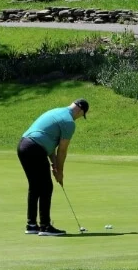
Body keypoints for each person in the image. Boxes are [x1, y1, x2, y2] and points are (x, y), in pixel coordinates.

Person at [17, 98, 89, 236]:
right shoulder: (69, 122)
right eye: (82, 115)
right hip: (35, 148)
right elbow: (62, 150)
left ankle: (31, 225)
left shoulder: (56, 111)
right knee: (46, 187)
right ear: (80, 110)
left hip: (23, 145)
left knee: (35, 186)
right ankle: (45, 226)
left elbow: (49, 144)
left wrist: (54, 166)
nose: (80, 118)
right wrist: (60, 171)